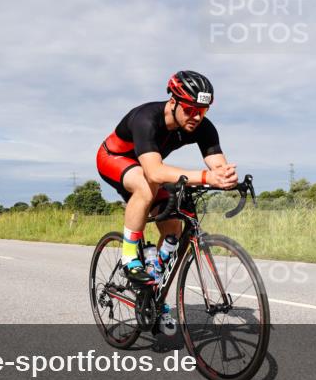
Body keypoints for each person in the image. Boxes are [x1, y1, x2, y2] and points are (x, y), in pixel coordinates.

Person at [97, 71, 238, 284]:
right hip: (113, 158)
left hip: (147, 165)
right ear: (173, 102)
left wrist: (226, 177)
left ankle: (153, 284)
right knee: (145, 185)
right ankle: (129, 258)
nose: (196, 117)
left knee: (173, 227)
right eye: (190, 110)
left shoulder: (202, 127)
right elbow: (154, 172)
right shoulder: (146, 119)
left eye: (202, 110)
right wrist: (206, 176)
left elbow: (217, 165)